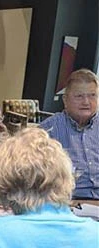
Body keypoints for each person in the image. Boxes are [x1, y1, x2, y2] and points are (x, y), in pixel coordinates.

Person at [41, 68, 99, 199]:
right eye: (79, 96)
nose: (86, 102)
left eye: (92, 95)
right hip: (66, 202)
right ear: (65, 100)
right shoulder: (48, 130)